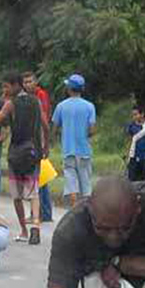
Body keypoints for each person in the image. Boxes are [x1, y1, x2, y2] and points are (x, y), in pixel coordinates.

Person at [0, 72, 45, 245]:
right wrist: (46, 145)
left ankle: (24, 230)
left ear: (15, 86)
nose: (4, 89)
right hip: (34, 151)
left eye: (6, 86)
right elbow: (46, 125)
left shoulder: (10, 104)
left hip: (16, 152)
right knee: (33, 191)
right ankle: (35, 225)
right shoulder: (36, 101)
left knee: (17, 195)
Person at [51, 74, 97, 207]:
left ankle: (74, 208)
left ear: (69, 88)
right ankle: (86, 209)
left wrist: (56, 139)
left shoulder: (61, 106)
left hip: (68, 150)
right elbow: (92, 130)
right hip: (84, 151)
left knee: (71, 182)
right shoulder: (89, 106)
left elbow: (55, 127)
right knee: (85, 183)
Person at [23, 71, 54, 222]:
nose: (28, 84)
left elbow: (44, 118)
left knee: (36, 178)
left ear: (36, 82)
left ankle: (40, 213)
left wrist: (44, 143)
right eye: (26, 82)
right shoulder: (26, 97)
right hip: (31, 139)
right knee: (40, 178)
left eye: (30, 81)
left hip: (38, 139)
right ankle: (45, 212)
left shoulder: (40, 95)